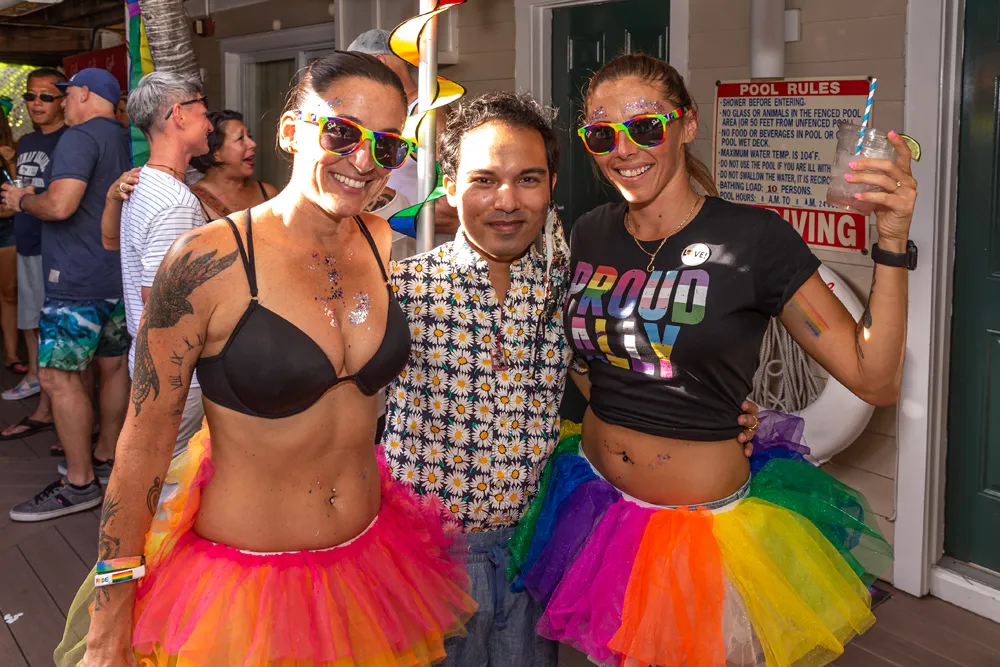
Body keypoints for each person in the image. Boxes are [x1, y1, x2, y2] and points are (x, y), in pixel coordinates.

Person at [54, 52, 474, 667]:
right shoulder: (206, 262)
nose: (364, 161)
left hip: (371, 566)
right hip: (245, 591)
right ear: (290, 131)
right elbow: (143, 446)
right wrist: (109, 617)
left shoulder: (383, 242)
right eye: (342, 132)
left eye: (387, 145)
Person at [509, 53, 915, 666]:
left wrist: (891, 240)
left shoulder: (754, 240)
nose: (623, 150)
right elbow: (591, 353)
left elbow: (873, 378)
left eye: (645, 126)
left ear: (687, 124)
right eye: (602, 134)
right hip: (596, 503)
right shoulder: (589, 231)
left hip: (704, 534)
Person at [382, 91, 759, 667]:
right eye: (484, 180)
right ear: (450, 186)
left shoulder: (573, 285)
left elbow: (620, 362)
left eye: (528, 179)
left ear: (552, 185)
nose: (507, 201)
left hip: (538, 550)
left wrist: (709, 408)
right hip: (428, 560)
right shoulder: (401, 289)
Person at [1, 68, 131, 521]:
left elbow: (59, 206)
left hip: (74, 278)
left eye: (65, 94)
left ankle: (79, 484)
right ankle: (106, 456)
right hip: (116, 275)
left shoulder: (78, 137)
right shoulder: (123, 137)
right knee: (112, 367)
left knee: (57, 378)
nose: (61, 102)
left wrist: (21, 200)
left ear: (83, 94)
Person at [101, 71, 212, 464]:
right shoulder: (174, 202)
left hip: (152, 363)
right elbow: (161, 304)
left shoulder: (141, 183)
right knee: (173, 480)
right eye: (204, 111)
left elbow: (111, 243)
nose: (209, 123)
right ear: (179, 114)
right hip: (176, 371)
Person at [348, 28, 459, 259]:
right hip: (391, 243)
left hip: (423, 252)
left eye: (357, 71)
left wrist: (396, 217)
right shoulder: (387, 113)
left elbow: (450, 194)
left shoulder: (425, 110)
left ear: (379, 62)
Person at [0, 69, 67, 442]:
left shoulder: (69, 141)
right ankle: (34, 377)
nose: (36, 103)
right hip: (25, 239)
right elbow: (22, 188)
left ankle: (56, 400)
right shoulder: (26, 141)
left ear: (63, 100)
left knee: (53, 325)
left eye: (45, 96)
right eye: (30, 96)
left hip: (54, 246)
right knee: (29, 318)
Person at [188, 110, 277, 220]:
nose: (253, 144)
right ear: (215, 152)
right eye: (240, 138)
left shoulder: (268, 194)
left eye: (249, 136)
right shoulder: (192, 201)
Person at [0, 107, 27, 377]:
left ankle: (11, 354)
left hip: (6, 228)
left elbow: (21, 194)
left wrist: (10, 164)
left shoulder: (12, 150)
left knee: (9, 292)